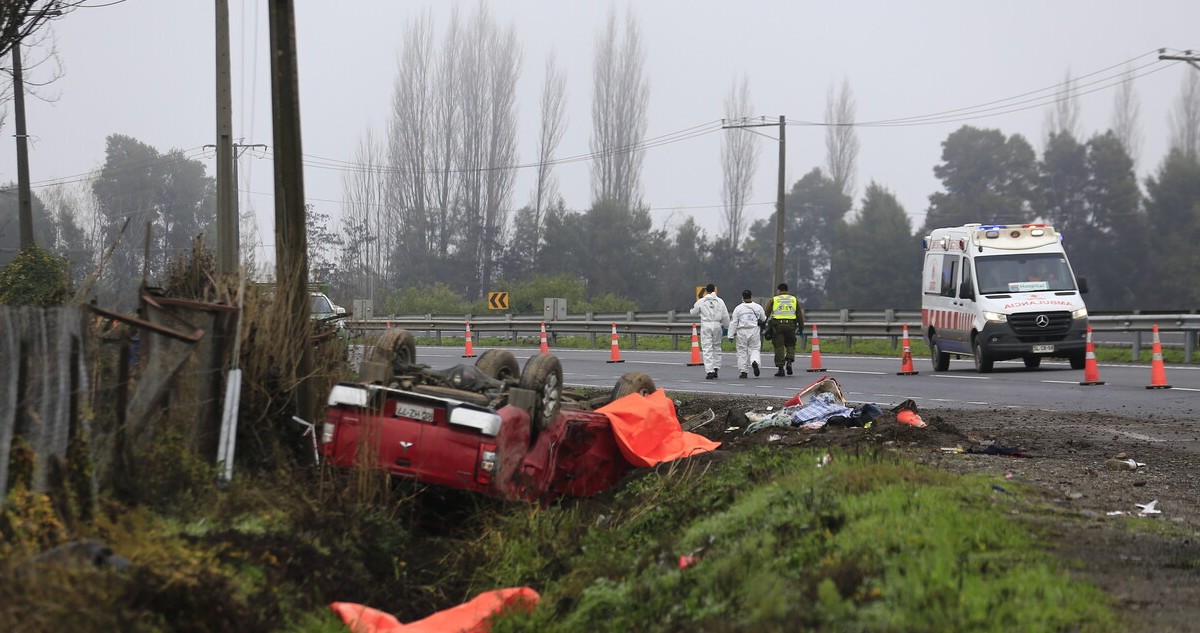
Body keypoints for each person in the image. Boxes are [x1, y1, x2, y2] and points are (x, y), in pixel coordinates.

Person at [690, 283, 730, 379]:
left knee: (707, 348)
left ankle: (709, 371)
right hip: (717, 325)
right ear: (714, 290)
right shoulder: (720, 301)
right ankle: (716, 367)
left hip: (706, 324)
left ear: (706, 291)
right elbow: (725, 316)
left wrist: (694, 309)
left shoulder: (702, 301)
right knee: (717, 346)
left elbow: (693, 312)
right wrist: (727, 327)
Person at [763, 282, 803, 376]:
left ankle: (781, 369)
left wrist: (762, 325)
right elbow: (799, 314)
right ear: (787, 290)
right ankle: (789, 360)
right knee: (790, 344)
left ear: (779, 290)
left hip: (778, 326)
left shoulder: (774, 299)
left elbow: (766, 313)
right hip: (791, 325)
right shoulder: (794, 299)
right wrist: (801, 328)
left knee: (779, 346)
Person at [727, 289, 767, 378]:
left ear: (742, 298)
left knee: (742, 351)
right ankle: (754, 361)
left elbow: (734, 322)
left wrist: (730, 335)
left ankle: (743, 371)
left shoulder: (738, 308)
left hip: (742, 331)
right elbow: (764, 318)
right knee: (755, 349)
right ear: (751, 297)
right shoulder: (758, 307)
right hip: (754, 330)